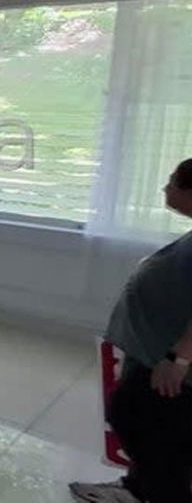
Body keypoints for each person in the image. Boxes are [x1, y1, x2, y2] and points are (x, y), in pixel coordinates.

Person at [72, 159, 192, 503]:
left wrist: (179, 360)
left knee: (143, 425)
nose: (165, 189)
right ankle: (136, 489)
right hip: (155, 353)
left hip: (171, 366)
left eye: (172, 182)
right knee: (156, 431)